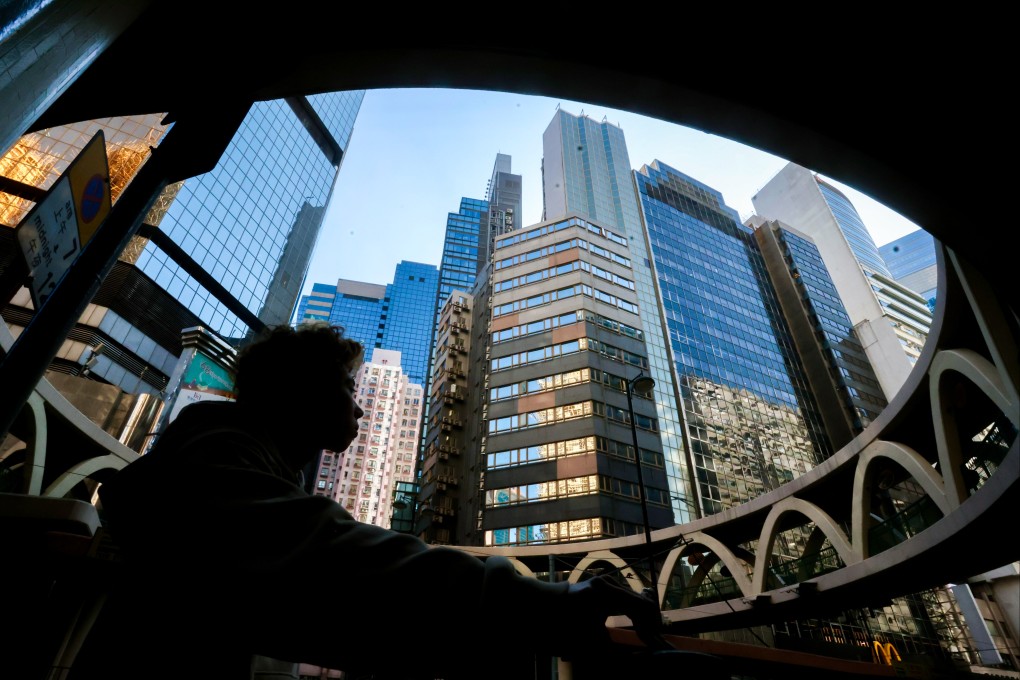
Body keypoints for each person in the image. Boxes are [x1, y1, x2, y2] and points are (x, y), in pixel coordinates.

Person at [69, 322, 662, 680]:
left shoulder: (238, 458)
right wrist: (545, 599)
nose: (359, 409)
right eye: (348, 390)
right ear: (301, 391)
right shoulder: (220, 455)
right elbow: (341, 559)